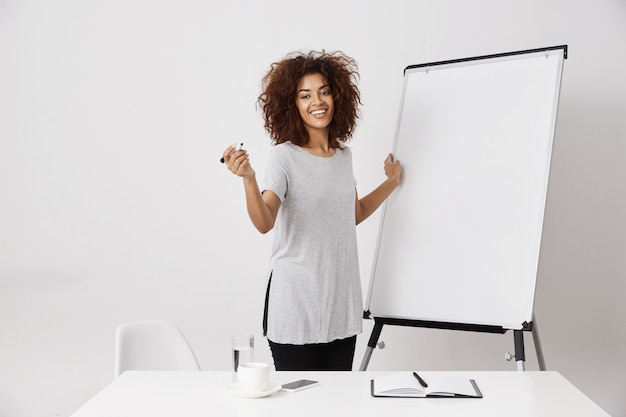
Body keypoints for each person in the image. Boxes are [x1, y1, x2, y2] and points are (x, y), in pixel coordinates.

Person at [222, 50, 401, 371]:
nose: (317, 101)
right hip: (295, 305)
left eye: (324, 91)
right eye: (305, 95)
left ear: (337, 96)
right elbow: (264, 222)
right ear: (292, 104)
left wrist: (391, 182)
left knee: (337, 403)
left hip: (341, 305)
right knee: (299, 403)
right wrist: (248, 179)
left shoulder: (343, 156)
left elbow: (353, 213)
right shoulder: (284, 157)